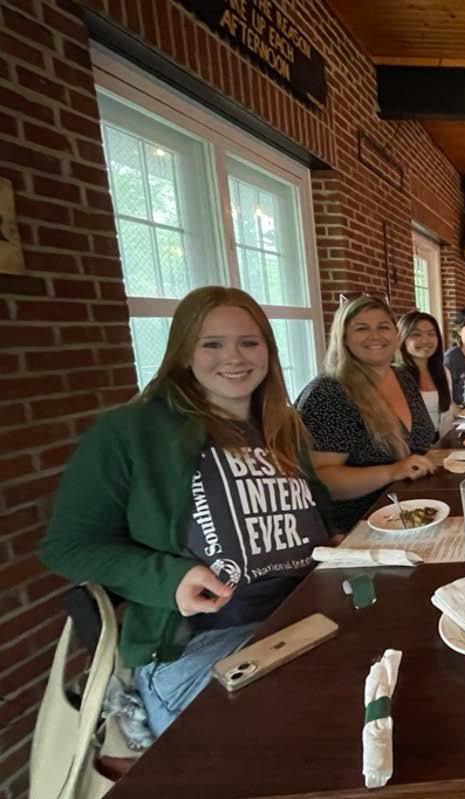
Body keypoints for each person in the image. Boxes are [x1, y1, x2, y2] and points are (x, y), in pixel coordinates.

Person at [40, 287, 335, 739]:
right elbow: (68, 547)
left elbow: (316, 517)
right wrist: (169, 578)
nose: (233, 357)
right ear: (183, 353)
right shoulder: (130, 431)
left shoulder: (284, 426)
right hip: (199, 644)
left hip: (305, 618)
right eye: (211, 343)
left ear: (268, 352)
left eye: (249, 342)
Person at [297, 296, 436, 533]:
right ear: (343, 338)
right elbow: (322, 481)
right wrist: (392, 471)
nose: (375, 336)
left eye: (383, 327)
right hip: (358, 526)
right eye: (362, 328)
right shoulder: (329, 392)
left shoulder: (402, 377)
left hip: (414, 512)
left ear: (396, 333)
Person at [397, 310, 456, 436]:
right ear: (402, 339)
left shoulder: (443, 372)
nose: (425, 340)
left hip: (441, 444)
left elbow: (447, 416)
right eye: (416, 335)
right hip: (410, 449)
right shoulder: (395, 375)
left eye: (431, 334)